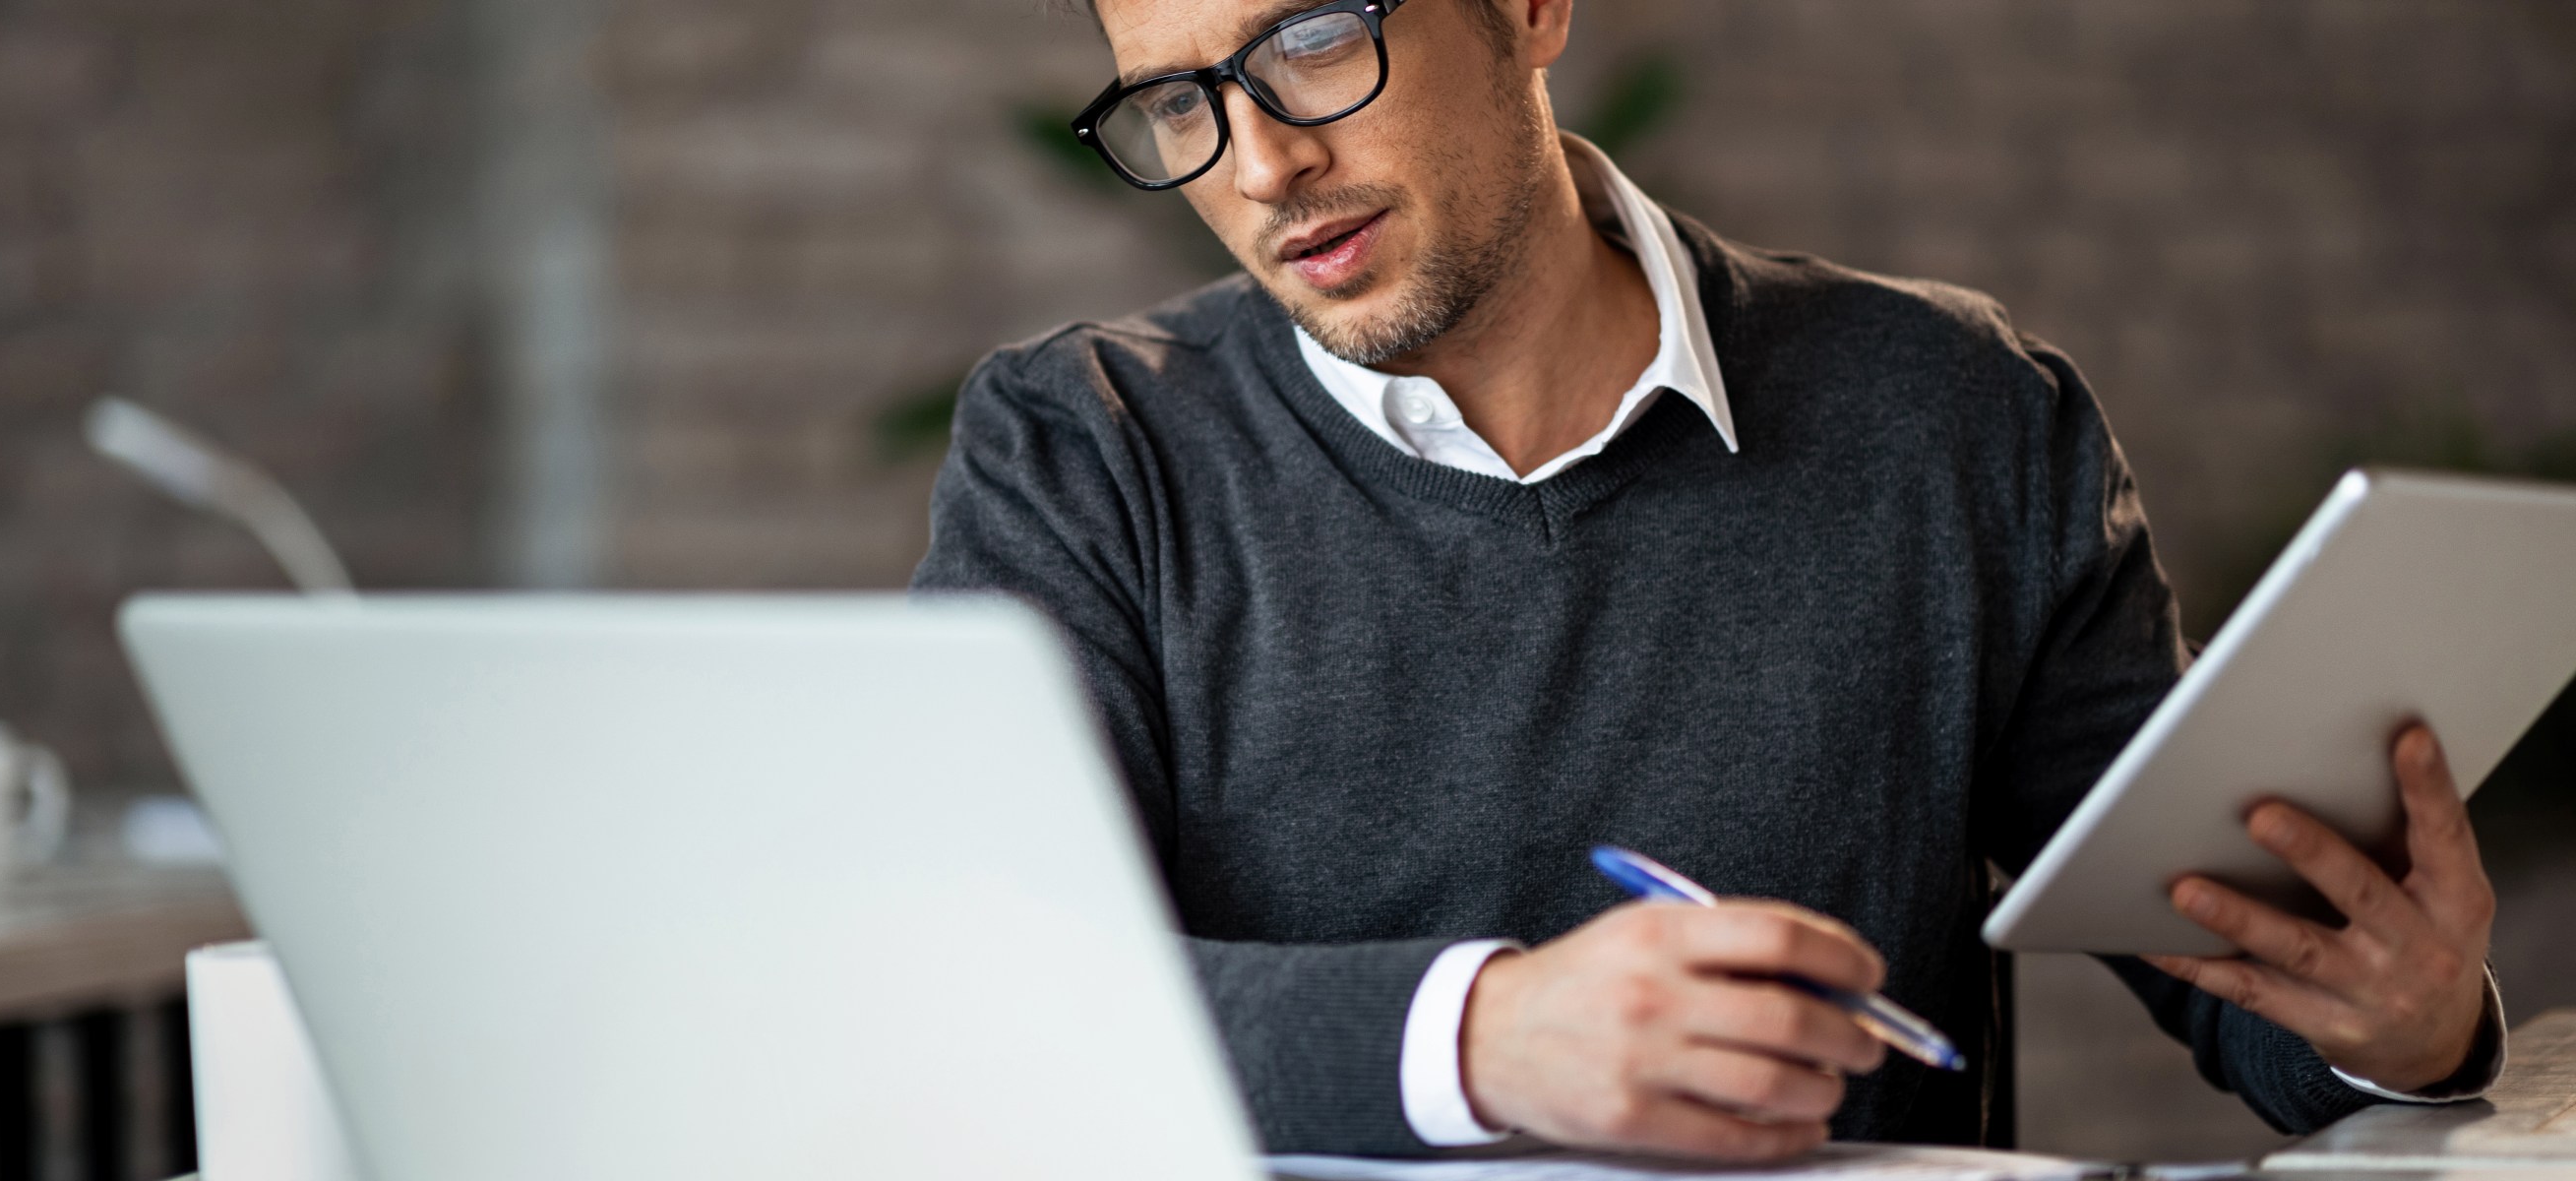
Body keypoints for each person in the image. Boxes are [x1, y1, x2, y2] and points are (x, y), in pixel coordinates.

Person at [912, 0, 2507, 1159]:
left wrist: (2404, 1028)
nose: (1259, 162)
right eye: (1176, 102)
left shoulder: (1957, 414)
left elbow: (2232, 971)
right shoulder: (1083, 451)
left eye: (1315, 41)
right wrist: (1488, 1041)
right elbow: (974, 994)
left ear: (1529, 11)